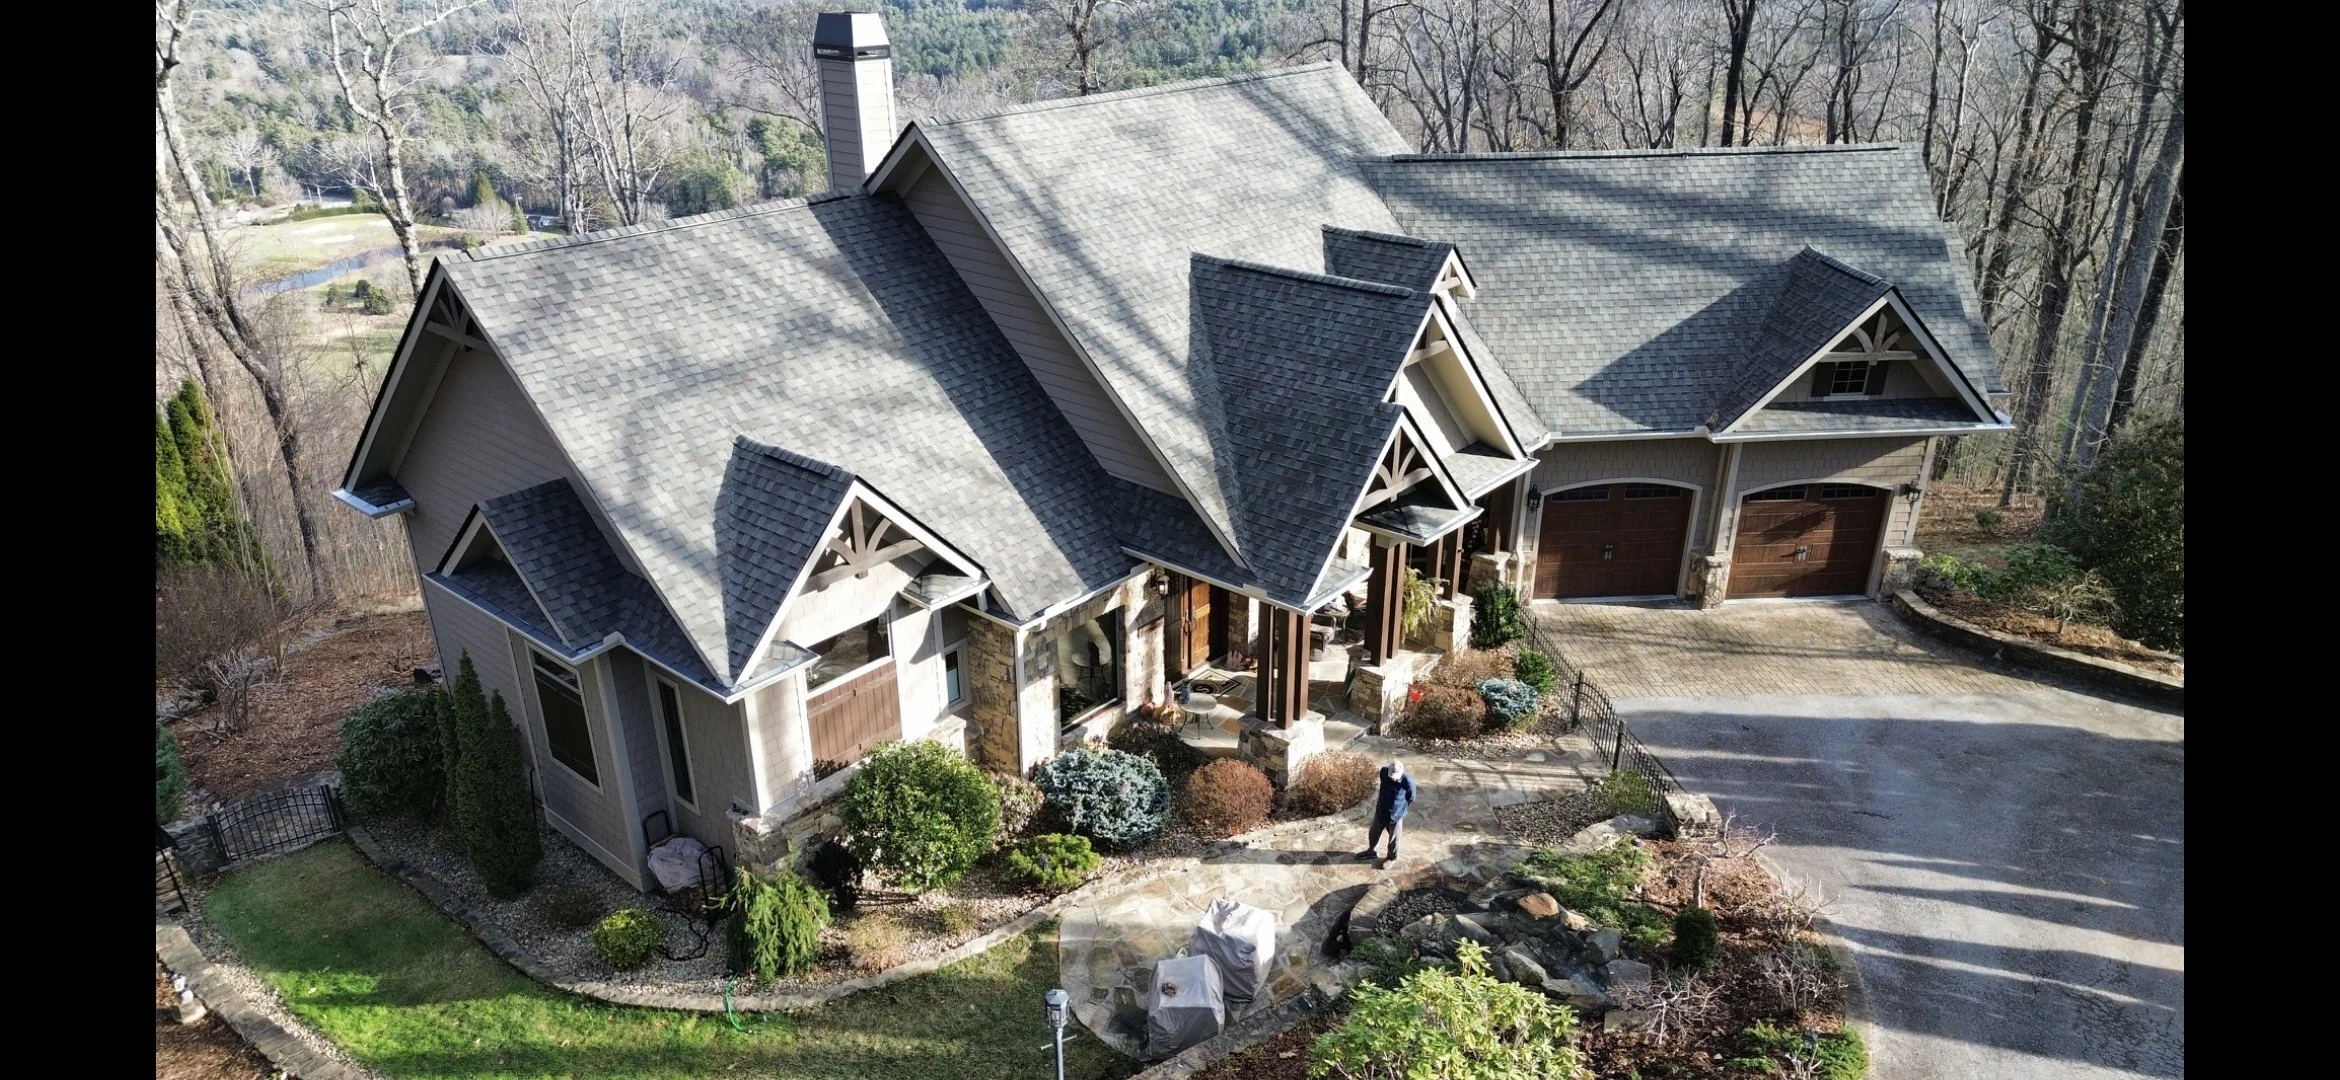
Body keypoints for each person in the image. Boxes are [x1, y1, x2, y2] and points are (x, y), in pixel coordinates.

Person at [1356, 759, 1417, 868]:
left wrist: (1401, 808)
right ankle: (1372, 851)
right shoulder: (1384, 772)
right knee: (1374, 831)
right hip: (1381, 809)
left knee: (1394, 839)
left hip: (1396, 814)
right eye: (1391, 775)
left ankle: (1391, 858)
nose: (1393, 778)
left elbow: (1411, 797)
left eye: (1395, 776)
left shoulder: (1407, 781)